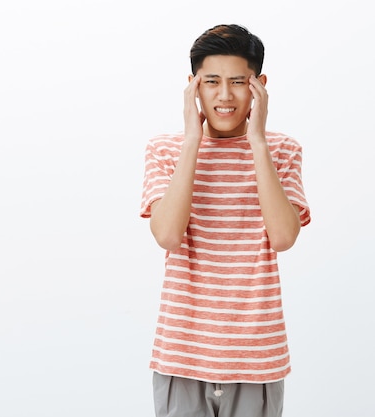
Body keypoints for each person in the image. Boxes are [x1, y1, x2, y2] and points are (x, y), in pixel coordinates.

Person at [139, 24, 311, 417]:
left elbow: (283, 237)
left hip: (257, 358)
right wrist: (192, 143)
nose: (225, 95)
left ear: (259, 85)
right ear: (193, 87)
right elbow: (167, 235)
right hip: (182, 355)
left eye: (238, 82)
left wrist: (258, 142)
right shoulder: (165, 150)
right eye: (211, 82)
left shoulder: (282, 150)